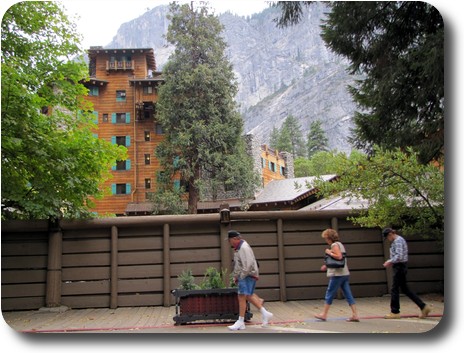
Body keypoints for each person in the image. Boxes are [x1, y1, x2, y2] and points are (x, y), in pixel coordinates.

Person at [226, 230, 273, 331]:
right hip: (248, 274)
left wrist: (240, 276)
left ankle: (240, 321)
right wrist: (236, 275)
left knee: (241, 296)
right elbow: (241, 264)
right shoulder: (240, 247)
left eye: (229, 240)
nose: (229, 242)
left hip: (247, 275)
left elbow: (247, 265)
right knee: (248, 295)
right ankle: (265, 313)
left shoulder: (243, 248)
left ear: (234, 239)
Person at [382, 228, 432, 319]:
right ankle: (423, 307)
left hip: (399, 266)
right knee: (405, 289)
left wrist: (390, 261)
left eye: (387, 237)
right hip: (400, 266)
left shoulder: (397, 241)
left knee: (394, 289)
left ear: (390, 234)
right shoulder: (397, 240)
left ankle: (395, 312)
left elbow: (399, 256)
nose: (388, 240)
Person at [315, 228, 360, 322]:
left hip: (337, 274)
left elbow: (338, 257)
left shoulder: (334, 245)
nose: (325, 240)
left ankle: (324, 314)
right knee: (348, 294)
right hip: (344, 273)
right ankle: (355, 315)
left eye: (326, 238)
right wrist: (326, 266)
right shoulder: (340, 244)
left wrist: (329, 252)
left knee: (329, 293)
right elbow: (337, 260)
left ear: (329, 238)